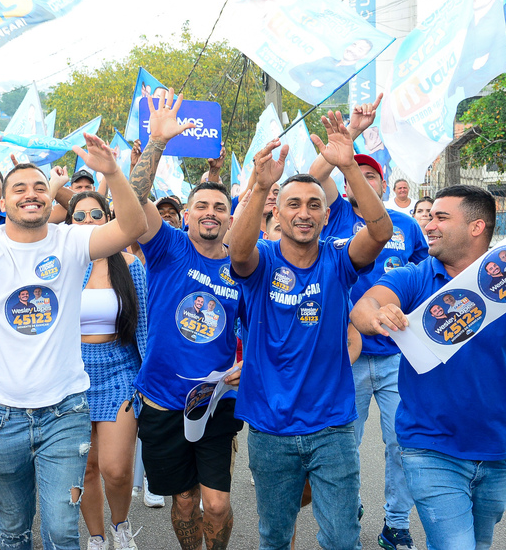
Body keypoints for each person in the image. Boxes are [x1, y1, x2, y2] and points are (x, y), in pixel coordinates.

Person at [0, 130, 147, 550]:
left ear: (51, 198)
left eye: (40, 187)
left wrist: (113, 171)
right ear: (4, 202)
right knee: (13, 527)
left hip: (66, 412)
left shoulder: (72, 241)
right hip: (1, 415)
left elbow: (133, 225)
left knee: (62, 529)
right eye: (20, 188)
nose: (31, 194)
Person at [352, 184, 506, 550]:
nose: (429, 225)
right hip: (429, 448)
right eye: (429, 217)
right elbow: (364, 306)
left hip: (497, 450)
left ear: (477, 227)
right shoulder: (415, 276)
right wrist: (376, 315)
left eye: (441, 217)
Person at [230, 110, 393, 550]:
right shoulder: (262, 261)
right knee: (275, 536)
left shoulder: (339, 261)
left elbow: (380, 232)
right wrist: (261, 185)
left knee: (342, 538)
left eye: (314, 205)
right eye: (294, 205)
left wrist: (346, 167)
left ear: (326, 215)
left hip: (333, 427)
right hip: (269, 427)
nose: (304, 213)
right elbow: (238, 252)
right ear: (278, 215)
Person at [307, 100, 427, 550]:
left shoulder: (405, 225)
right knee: (345, 446)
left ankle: (396, 521)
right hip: (347, 354)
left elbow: (424, 281)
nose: (362, 179)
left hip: (399, 357)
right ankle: (349, 504)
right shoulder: (331, 215)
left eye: (371, 174)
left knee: (401, 444)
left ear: (380, 181)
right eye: (353, 174)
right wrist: (350, 136)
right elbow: (313, 179)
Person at [126, 89, 244, 550]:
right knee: (183, 502)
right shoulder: (168, 247)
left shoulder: (243, 263)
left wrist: (245, 366)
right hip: (161, 400)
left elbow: (260, 326)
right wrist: (156, 143)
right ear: (188, 214)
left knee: (216, 504)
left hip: (216, 399)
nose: (211, 213)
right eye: (202, 206)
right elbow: (131, 203)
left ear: (230, 218)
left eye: (220, 207)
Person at [66, 190, 148, 550]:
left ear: (109, 218)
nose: (87, 222)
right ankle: (97, 537)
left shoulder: (131, 266)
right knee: (86, 469)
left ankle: (120, 525)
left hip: (120, 373)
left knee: (116, 469)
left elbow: (145, 326)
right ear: (69, 222)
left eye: (95, 215)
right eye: (79, 216)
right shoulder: (61, 266)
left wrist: (150, 381)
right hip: (72, 375)